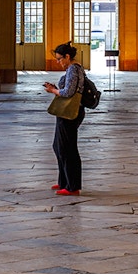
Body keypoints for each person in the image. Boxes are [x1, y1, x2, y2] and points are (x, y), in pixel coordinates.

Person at [43, 42, 86, 195]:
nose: (58, 62)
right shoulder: (72, 69)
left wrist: (53, 90)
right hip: (66, 111)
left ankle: (72, 187)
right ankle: (64, 181)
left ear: (68, 57)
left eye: (60, 59)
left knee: (67, 149)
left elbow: (68, 92)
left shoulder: (74, 69)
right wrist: (55, 88)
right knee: (58, 146)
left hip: (70, 112)